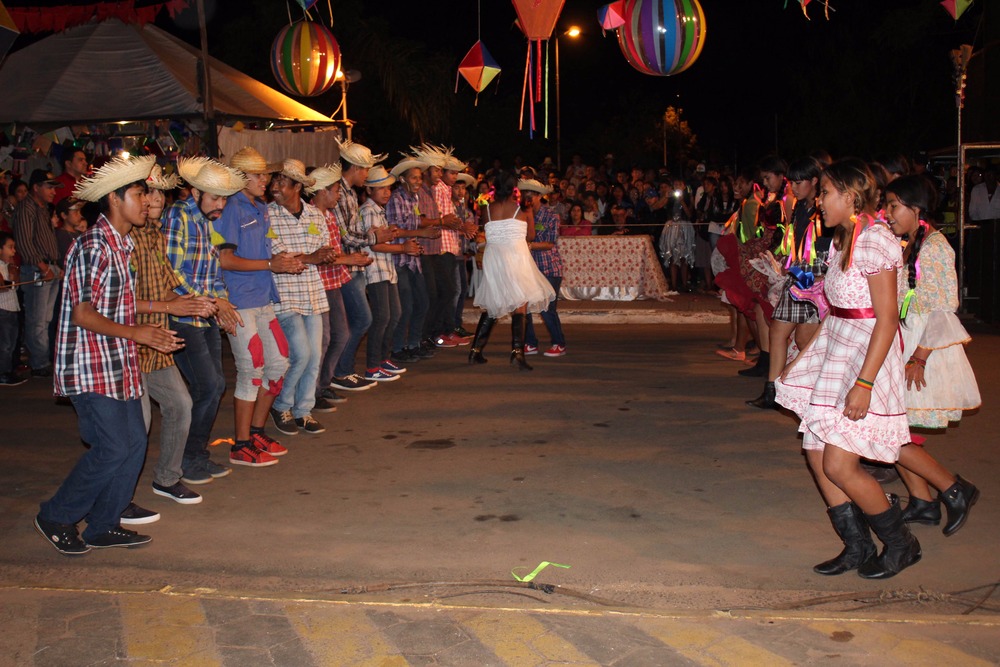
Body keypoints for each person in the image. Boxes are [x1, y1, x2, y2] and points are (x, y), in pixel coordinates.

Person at [776, 159, 919, 580]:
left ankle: (901, 544)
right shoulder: (844, 240)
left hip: (865, 362)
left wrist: (864, 384)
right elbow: (837, 312)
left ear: (851, 197)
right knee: (816, 452)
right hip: (836, 354)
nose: (818, 201)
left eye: (825, 193)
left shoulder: (876, 242)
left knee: (839, 464)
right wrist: (804, 359)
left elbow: (887, 318)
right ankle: (856, 545)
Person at [34, 155, 180, 555]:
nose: (146, 199)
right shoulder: (94, 245)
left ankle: (102, 524)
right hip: (91, 366)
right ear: (115, 199)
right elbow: (84, 313)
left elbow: (119, 305)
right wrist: (138, 332)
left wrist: (162, 316)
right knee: (114, 447)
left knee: (133, 444)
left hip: (118, 362)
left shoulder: (122, 243)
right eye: (138, 192)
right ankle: (56, 514)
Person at [884, 175, 981, 536]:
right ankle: (922, 501)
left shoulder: (936, 247)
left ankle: (955, 488)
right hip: (905, 341)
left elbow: (943, 308)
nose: (887, 213)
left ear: (916, 208)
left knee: (891, 430)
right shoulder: (909, 243)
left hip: (923, 346)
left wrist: (919, 357)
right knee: (895, 427)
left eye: (893, 206)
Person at [131, 165, 218, 505]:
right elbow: (111, 305)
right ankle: (117, 500)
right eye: (146, 193)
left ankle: (167, 478)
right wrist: (176, 307)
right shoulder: (121, 240)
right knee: (137, 427)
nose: (154, 199)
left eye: (158, 193)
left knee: (181, 404)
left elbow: (167, 285)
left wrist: (192, 303)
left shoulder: (154, 234)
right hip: (127, 343)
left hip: (155, 341)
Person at [215, 146, 302, 467]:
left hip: (263, 298)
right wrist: (271, 263)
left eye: (266, 174)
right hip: (239, 302)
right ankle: (240, 445)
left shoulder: (259, 208)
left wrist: (280, 263)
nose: (266, 180)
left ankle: (256, 432)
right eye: (259, 175)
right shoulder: (230, 209)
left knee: (279, 364)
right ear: (240, 179)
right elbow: (225, 258)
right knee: (251, 371)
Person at [165, 157, 246, 483]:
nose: (221, 204)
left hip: (205, 315)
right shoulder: (179, 217)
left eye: (224, 198)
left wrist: (220, 303)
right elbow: (171, 273)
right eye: (215, 197)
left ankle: (194, 455)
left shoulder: (207, 222)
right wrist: (215, 303)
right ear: (195, 192)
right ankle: (187, 458)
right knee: (210, 386)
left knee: (212, 388)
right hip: (184, 316)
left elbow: (212, 272)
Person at [747, 157, 825, 409]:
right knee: (778, 331)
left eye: (800, 182)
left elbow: (828, 249)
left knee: (804, 341)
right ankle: (773, 392)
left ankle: (811, 390)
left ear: (815, 181)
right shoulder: (799, 206)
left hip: (814, 279)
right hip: (798, 274)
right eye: (792, 182)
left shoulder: (822, 209)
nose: (794, 187)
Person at [267, 159, 335, 436]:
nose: (274, 187)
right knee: (301, 355)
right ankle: (281, 404)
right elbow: (279, 257)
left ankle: (303, 411)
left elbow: (324, 248)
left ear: (297, 187)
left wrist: (326, 255)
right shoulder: (267, 216)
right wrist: (313, 257)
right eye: (273, 181)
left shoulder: (314, 215)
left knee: (314, 356)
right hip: (284, 295)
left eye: (281, 182)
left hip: (312, 293)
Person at [468, 173, 556, 370]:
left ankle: (475, 351)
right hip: (515, 256)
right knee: (521, 304)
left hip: (494, 257)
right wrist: (528, 216)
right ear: (513, 189)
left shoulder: (487, 209)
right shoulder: (522, 209)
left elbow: (489, 231)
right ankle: (517, 353)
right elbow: (531, 235)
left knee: (494, 301)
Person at [306, 164, 373, 410]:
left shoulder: (330, 215)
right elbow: (318, 255)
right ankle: (312, 392)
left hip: (333, 280)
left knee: (339, 334)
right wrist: (349, 259)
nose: (337, 195)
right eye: (335, 191)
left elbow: (335, 249)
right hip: (320, 282)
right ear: (322, 192)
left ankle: (322, 384)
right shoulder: (311, 216)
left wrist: (347, 260)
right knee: (324, 339)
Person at [330, 139, 390, 392]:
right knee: (362, 320)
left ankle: (340, 371)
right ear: (354, 167)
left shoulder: (350, 193)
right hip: (345, 265)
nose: (367, 174)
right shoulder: (342, 193)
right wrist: (375, 237)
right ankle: (340, 371)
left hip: (353, 264)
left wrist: (372, 235)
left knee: (352, 322)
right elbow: (345, 237)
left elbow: (351, 232)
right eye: (365, 169)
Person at [357, 165, 420, 381]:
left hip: (386, 269)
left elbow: (382, 240)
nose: (386, 192)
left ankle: (383, 359)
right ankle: (373, 366)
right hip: (375, 270)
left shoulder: (379, 211)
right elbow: (374, 245)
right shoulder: (367, 210)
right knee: (382, 317)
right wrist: (402, 248)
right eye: (380, 188)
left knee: (394, 314)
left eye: (388, 188)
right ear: (369, 191)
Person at [11, 169, 63, 376]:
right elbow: (24, 242)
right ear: (36, 188)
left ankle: (42, 358)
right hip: (37, 269)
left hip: (48, 267)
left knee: (46, 318)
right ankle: (40, 362)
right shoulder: (27, 209)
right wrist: (43, 267)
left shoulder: (42, 208)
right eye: (49, 187)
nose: (52, 191)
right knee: (38, 318)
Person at [386, 157, 437, 363]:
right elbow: (395, 230)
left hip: (413, 258)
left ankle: (413, 343)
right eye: (414, 178)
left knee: (422, 303)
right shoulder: (395, 198)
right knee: (406, 306)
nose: (418, 181)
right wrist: (422, 233)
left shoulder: (414, 199)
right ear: (402, 179)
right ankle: (397, 348)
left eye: (419, 177)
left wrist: (420, 234)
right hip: (400, 259)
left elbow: (411, 227)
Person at [521, 179, 567, 358]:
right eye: (525, 195)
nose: (527, 198)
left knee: (547, 308)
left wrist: (528, 245)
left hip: (549, 268)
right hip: (530, 268)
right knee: (523, 305)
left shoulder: (551, 215)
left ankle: (559, 343)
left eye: (531, 195)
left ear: (540, 196)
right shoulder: (523, 215)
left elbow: (550, 243)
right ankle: (530, 342)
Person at [0, 231, 24, 386]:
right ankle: (3, 373)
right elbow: (3, 288)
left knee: (12, 342)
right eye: (10, 247)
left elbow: (13, 287)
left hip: (12, 307)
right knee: (5, 344)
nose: (14, 251)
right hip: (3, 308)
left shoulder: (8, 266)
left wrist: (14, 276)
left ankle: (8, 369)